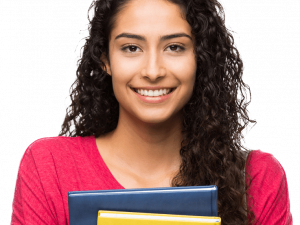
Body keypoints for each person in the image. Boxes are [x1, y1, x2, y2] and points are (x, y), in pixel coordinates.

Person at [10, 0, 293, 224]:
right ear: (105, 59)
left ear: (200, 58)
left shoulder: (257, 178)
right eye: (131, 48)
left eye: (174, 47)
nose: (153, 71)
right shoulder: (49, 167)